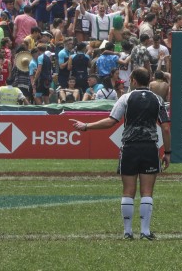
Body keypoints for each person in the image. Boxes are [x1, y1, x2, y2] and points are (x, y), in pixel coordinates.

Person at [70, 67, 171, 241]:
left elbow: (111, 121)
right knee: (147, 191)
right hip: (149, 148)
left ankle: (127, 232)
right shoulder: (158, 100)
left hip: (130, 147)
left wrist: (87, 126)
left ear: (133, 81)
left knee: (128, 191)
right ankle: (145, 232)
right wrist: (167, 152)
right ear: (149, 81)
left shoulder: (126, 98)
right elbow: (166, 128)